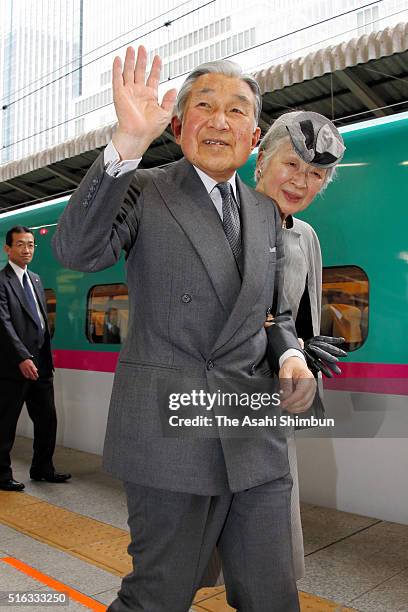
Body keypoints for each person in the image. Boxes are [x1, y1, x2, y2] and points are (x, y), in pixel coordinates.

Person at [53, 46, 316, 612]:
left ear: (254, 134)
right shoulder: (145, 189)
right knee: (159, 596)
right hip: (170, 435)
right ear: (177, 124)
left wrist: (291, 355)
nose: (221, 120)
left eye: (238, 110)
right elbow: (76, 250)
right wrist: (125, 145)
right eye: (205, 105)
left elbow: (274, 314)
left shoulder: (267, 212)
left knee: (274, 597)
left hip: (253, 436)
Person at [255, 110, 347, 579]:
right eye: (291, 164)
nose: (300, 181)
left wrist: (307, 351)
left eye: (315, 174)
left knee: (273, 541)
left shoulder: (306, 237)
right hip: (210, 404)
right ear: (261, 161)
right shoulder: (218, 221)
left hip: (270, 407)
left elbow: (301, 320)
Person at [0, 226, 71, 491]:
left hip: (41, 365)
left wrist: (43, 359)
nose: (27, 249)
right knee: (6, 422)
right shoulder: (1, 281)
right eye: (20, 244)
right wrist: (22, 357)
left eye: (30, 245)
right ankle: (2, 474)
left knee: (47, 419)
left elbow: (40, 321)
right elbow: (3, 324)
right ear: (8, 249)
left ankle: (43, 468)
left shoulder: (37, 280)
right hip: (13, 366)